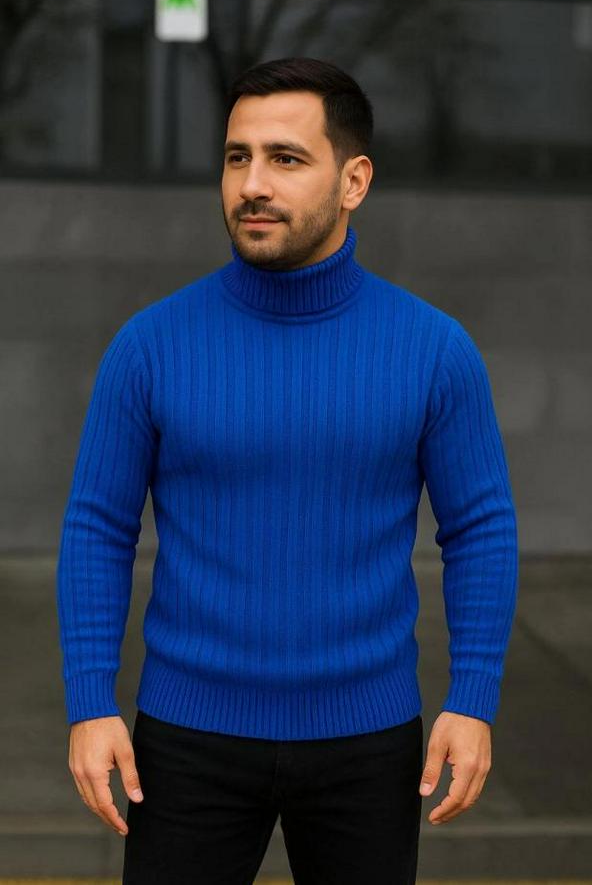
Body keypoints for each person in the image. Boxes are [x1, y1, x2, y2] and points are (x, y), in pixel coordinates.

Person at [56, 56, 519, 884]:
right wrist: (90, 701)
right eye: (238, 157)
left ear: (354, 181)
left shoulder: (434, 351)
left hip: (368, 742)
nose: (253, 185)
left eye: (286, 158)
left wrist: (473, 697)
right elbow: (97, 528)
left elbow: (480, 529)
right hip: (186, 739)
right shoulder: (149, 346)